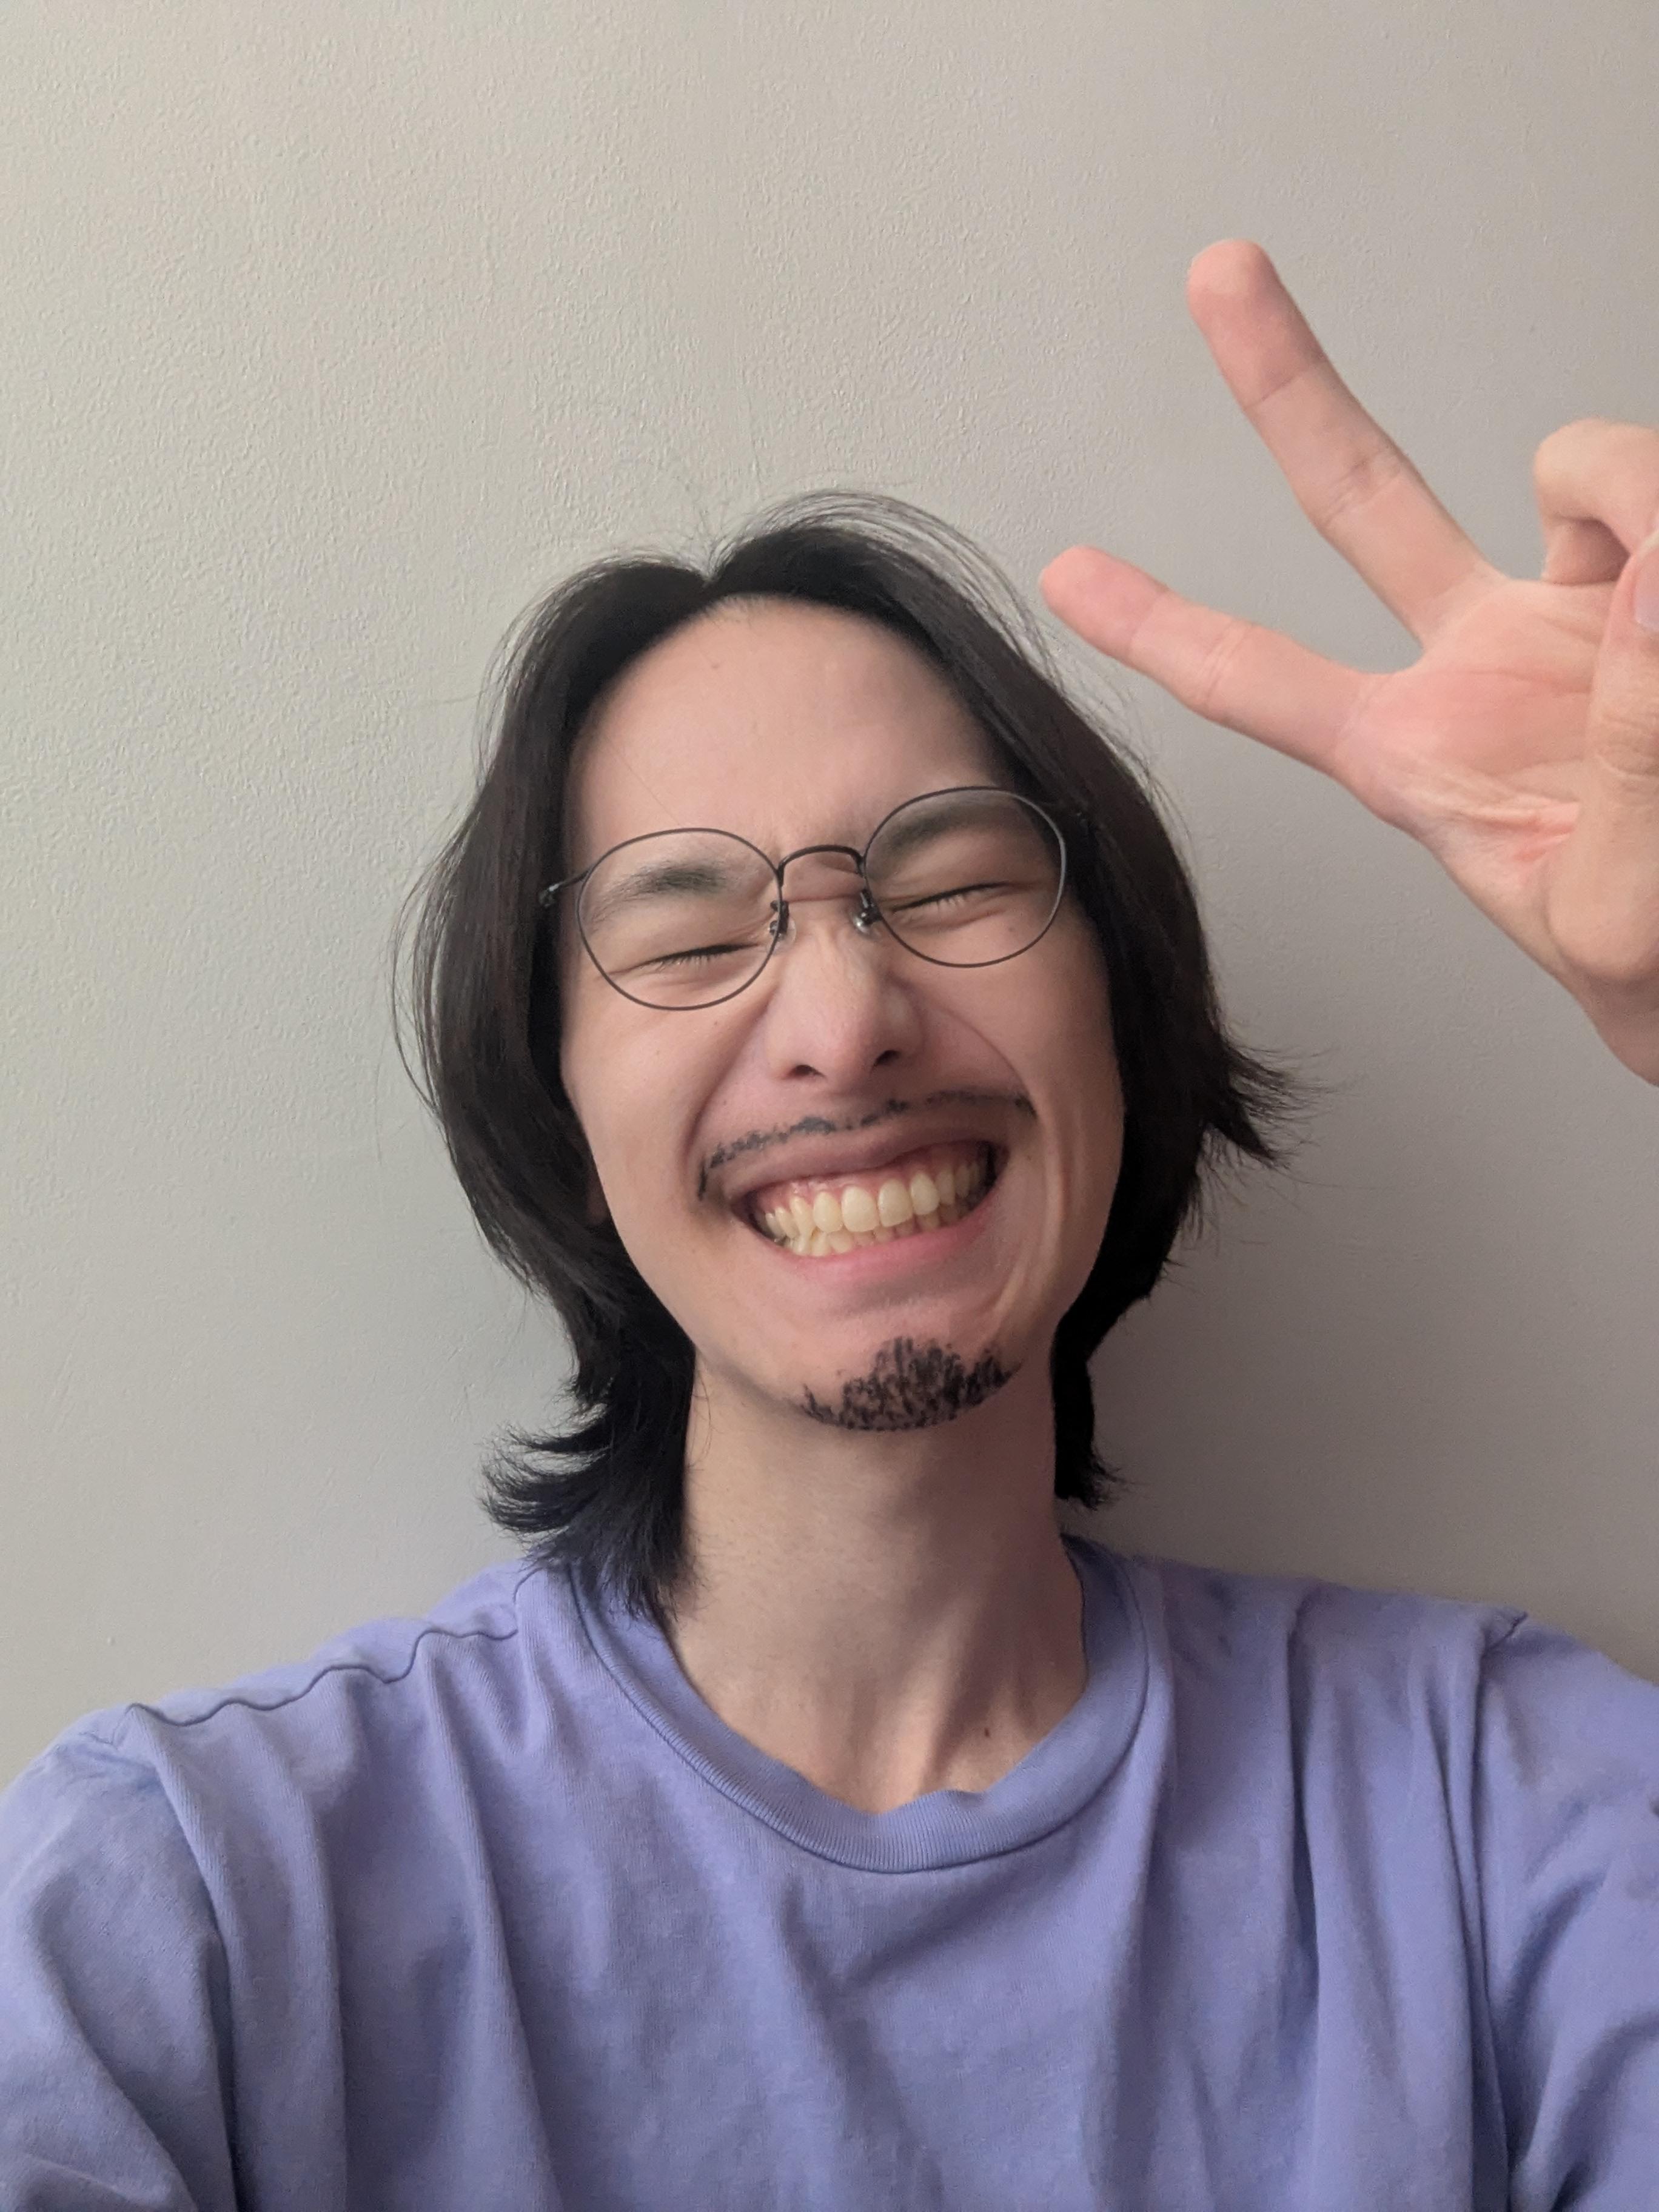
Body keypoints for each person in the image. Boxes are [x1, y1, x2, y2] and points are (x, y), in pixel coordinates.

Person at [2, 241, 1655, 2210]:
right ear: (560, 1110)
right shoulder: (190, 1903)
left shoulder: (1507, 1811)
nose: (845, 1016)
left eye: (948, 884)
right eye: (690, 928)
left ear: (1122, 1027)